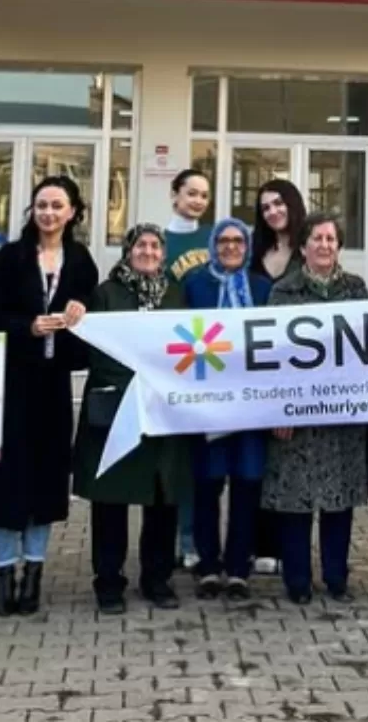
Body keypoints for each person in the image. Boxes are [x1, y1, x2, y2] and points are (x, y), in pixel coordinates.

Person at [0, 176, 99, 617]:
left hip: (51, 385)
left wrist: (79, 314)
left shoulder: (80, 260)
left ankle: (35, 572)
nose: (48, 213)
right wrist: (27, 326)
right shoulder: (9, 258)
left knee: (44, 477)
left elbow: (91, 317)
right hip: (8, 384)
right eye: (41, 205)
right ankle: (5, 572)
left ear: (73, 212)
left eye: (57, 205)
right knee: (6, 477)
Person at [71, 224, 192, 613]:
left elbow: (187, 345)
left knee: (162, 499)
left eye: (156, 246)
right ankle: (109, 583)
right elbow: (94, 347)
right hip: (118, 409)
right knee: (111, 500)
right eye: (141, 244)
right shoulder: (106, 293)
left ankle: (157, 579)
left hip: (163, 411)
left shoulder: (176, 293)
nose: (149, 251)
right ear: (128, 251)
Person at [262, 212, 368, 604]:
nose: (324, 245)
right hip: (295, 418)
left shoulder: (356, 290)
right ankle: (297, 580)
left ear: (339, 247)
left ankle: (337, 577)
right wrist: (278, 409)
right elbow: (272, 357)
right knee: (295, 502)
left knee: (338, 501)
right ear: (304, 245)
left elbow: (367, 350)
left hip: (341, 416)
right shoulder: (283, 291)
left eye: (331, 239)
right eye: (317, 238)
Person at [183, 218, 272, 600]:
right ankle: (207, 565)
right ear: (213, 245)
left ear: (248, 246)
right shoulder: (195, 285)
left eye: (239, 240)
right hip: (209, 403)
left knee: (247, 483)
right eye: (224, 241)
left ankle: (238, 568)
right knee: (207, 483)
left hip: (252, 405)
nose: (232, 247)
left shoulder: (263, 287)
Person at [248, 179, 308, 574]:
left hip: (297, 368)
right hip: (256, 368)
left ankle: (290, 548)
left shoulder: (309, 251)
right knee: (260, 464)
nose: (273, 211)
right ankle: (259, 543)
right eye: (266, 207)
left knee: (291, 463)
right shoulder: (256, 252)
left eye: (278, 203)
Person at [163, 167, 212, 570]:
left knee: (202, 458)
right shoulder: (159, 240)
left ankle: (197, 537)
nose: (197, 200)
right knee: (177, 457)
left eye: (203, 195)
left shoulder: (214, 239)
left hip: (210, 356)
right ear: (175, 195)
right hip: (174, 356)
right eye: (191, 193)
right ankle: (179, 538)